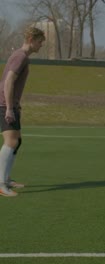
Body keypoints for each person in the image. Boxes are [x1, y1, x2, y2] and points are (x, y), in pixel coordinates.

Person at [0, 27, 45, 197]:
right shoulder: (20, 56)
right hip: (5, 104)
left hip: (10, 104)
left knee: (16, 141)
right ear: (32, 39)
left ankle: (6, 178)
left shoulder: (22, 56)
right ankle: (1, 183)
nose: (41, 46)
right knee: (11, 142)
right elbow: (9, 81)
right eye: (40, 42)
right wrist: (10, 108)